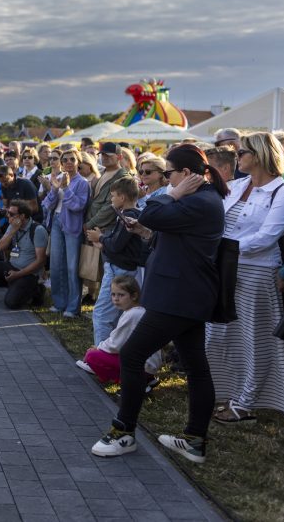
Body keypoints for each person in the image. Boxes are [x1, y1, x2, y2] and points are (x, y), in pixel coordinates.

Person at [92, 144, 226, 464]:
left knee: (133, 353)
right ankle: (194, 440)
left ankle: (123, 431)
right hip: (183, 293)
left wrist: (173, 193)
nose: (165, 180)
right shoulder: (200, 200)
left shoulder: (200, 201)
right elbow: (166, 232)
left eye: (168, 174)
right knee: (195, 366)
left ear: (185, 174)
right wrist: (143, 232)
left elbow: (150, 209)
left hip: (179, 296)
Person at [207, 132, 284, 423]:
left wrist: (223, 249)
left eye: (241, 153)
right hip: (227, 270)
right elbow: (213, 218)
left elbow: (266, 237)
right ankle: (227, 391)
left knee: (255, 340)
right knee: (220, 335)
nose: (236, 157)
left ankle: (247, 402)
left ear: (261, 155)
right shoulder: (238, 185)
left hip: (257, 272)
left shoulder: (282, 192)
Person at [85, 177, 145, 344]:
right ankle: (112, 353)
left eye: (113, 196)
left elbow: (117, 244)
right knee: (119, 314)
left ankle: (100, 357)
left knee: (102, 314)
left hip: (119, 269)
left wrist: (101, 238)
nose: (111, 199)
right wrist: (103, 243)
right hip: (121, 267)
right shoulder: (127, 214)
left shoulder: (130, 216)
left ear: (122, 198)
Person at [76, 276, 161, 386]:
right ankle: (147, 379)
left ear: (134, 296)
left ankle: (136, 383)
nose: (116, 298)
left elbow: (115, 345)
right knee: (94, 354)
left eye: (121, 295)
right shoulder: (137, 311)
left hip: (143, 365)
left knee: (92, 356)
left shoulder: (132, 314)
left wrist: (98, 348)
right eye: (113, 294)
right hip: (147, 363)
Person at [42, 147, 91, 317]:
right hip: (56, 222)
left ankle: (72, 307)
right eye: (65, 160)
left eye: (72, 159)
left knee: (71, 267)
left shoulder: (83, 183)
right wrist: (54, 189)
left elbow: (78, 206)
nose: (68, 162)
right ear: (61, 164)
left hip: (72, 226)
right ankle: (59, 303)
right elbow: (47, 205)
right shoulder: (59, 178)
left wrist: (67, 188)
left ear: (78, 162)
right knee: (56, 265)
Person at [0, 200, 48, 308]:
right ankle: (15, 285)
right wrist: (13, 230)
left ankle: (36, 290)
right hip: (12, 266)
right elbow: (0, 247)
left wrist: (18, 275)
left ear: (23, 216)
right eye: (8, 212)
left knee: (11, 303)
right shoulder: (12, 225)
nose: (8, 216)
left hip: (29, 273)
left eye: (12, 214)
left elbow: (40, 261)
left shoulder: (38, 230)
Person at [85, 142, 132, 234]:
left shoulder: (123, 177)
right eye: (102, 154)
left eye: (108, 155)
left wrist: (89, 224)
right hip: (93, 227)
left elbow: (110, 207)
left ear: (119, 157)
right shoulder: (101, 173)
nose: (104, 157)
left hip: (106, 230)